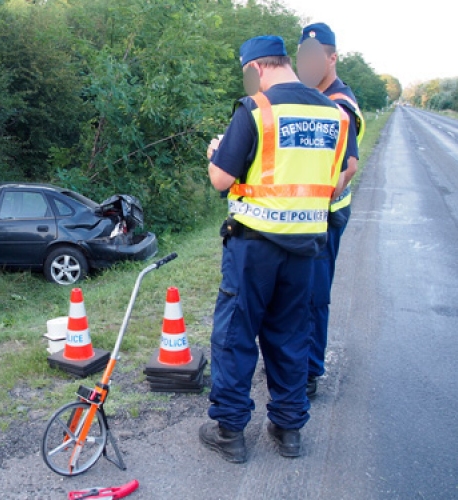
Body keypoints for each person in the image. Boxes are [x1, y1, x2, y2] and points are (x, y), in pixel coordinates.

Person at [199, 35, 349, 463]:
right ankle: (288, 429)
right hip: (306, 247)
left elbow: (220, 179)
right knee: (290, 335)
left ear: (255, 69)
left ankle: (229, 430)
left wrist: (216, 152)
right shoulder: (334, 114)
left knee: (236, 335)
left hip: (254, 246)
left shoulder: (257, 110)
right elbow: (337, 177)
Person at [296, 23, 366, 397]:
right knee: (297, 290)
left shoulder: (339, 103)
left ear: (332, 57)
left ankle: (308, 372)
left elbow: (349, 166)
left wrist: (311, 204)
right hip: (311, 215)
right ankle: (296, 361)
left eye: (313, 56)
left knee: (313, 293)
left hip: (325, 214)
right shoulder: (312, 98)